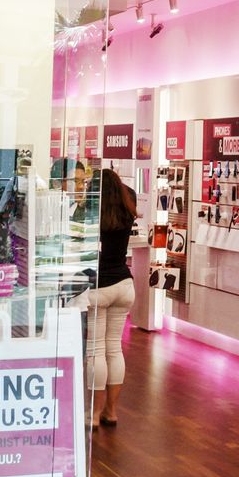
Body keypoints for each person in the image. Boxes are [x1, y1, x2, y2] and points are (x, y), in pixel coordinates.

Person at [86, 167, 137, 427]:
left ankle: (93, 414)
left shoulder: (91, 212)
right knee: (114, 349)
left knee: (95, 350)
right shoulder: (128, 207)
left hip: (98, 288)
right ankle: (111, 411)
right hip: (124, 284)